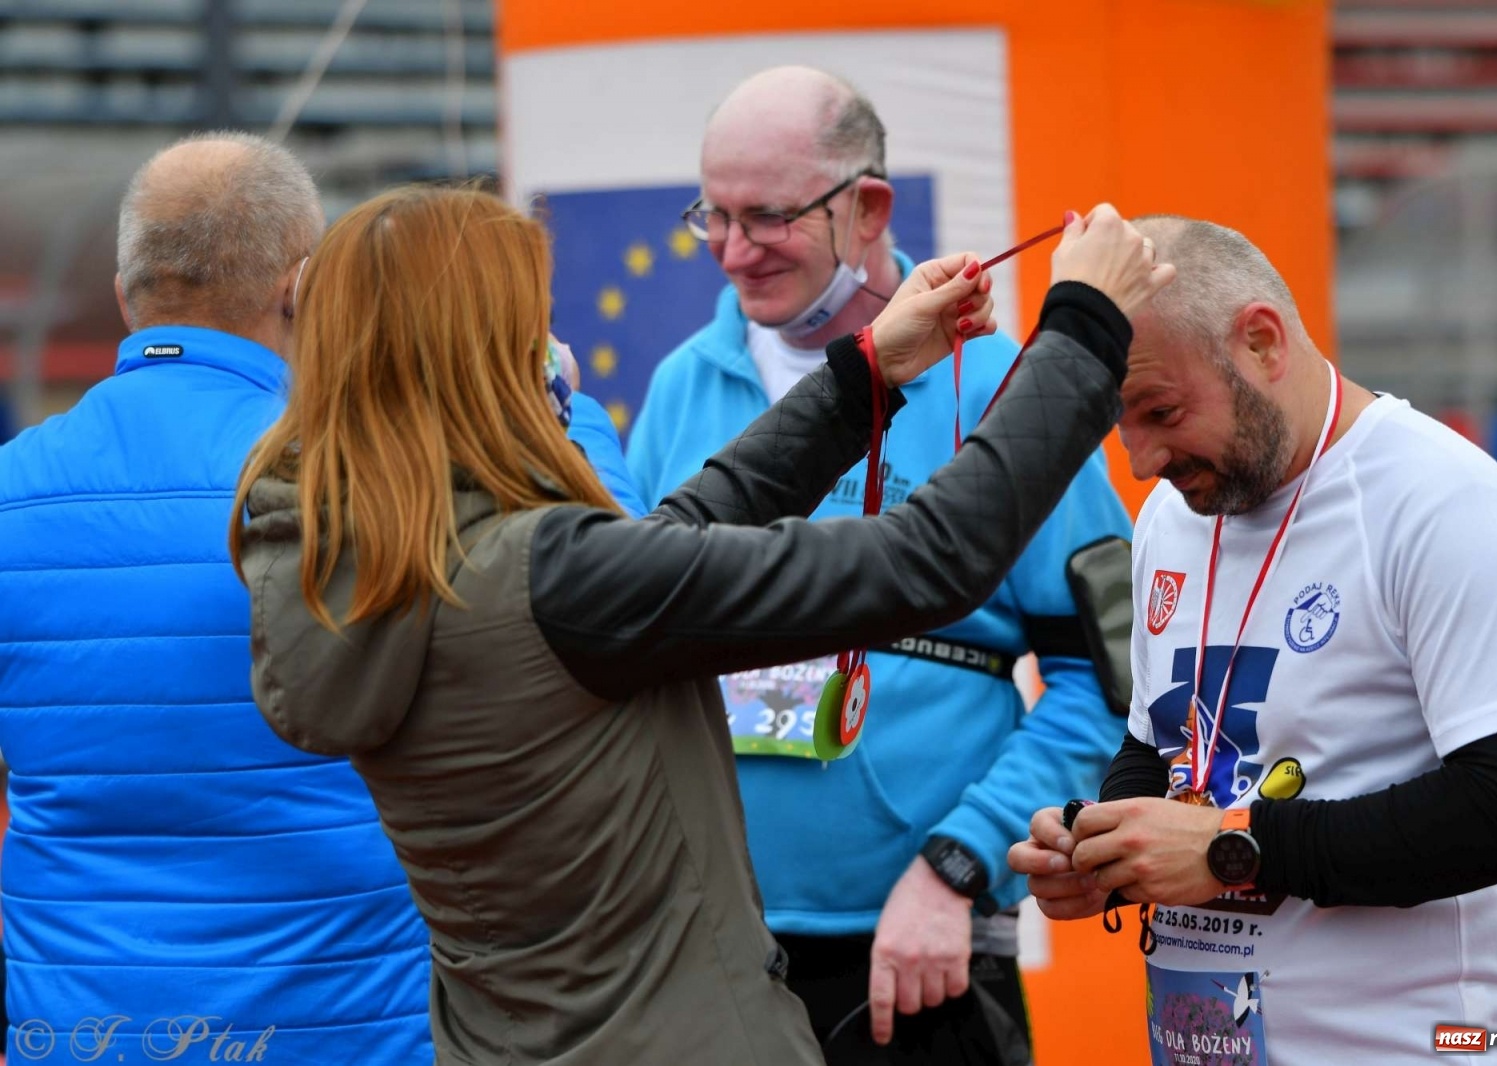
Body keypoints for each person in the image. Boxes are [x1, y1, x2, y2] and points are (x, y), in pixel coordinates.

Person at [229, 188, 1171, 1066]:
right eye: (530, 329)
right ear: (476, 365)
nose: (554, 352)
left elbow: (674, 540)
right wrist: (1084, 327)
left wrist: (863, 378)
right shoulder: (551, 577)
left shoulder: (379, 560)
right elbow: (929, 556)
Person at [626, 65, 1134, 1062]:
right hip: (709, 949)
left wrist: (960, 864)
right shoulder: (681, 385)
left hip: (926, 955)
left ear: (868, 209)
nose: (732, 250)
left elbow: (1106, 678)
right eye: (712, 215)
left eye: (768, 217)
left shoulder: (1003, 385)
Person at [1009, 216, 1497, 1063]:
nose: (1139, 460)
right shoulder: (1173, 512)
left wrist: (1234, 850)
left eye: (1161, 411)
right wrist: (1103, 846)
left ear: (1262, 342)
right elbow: (1159, 747)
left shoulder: (1444, 503)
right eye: (1117, 422)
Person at [0, 133, 432, 1063]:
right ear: (302, 288)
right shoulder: (374, 484)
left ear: (127, 296)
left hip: (81, 1031)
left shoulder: (10, 490)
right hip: (349, 1030)